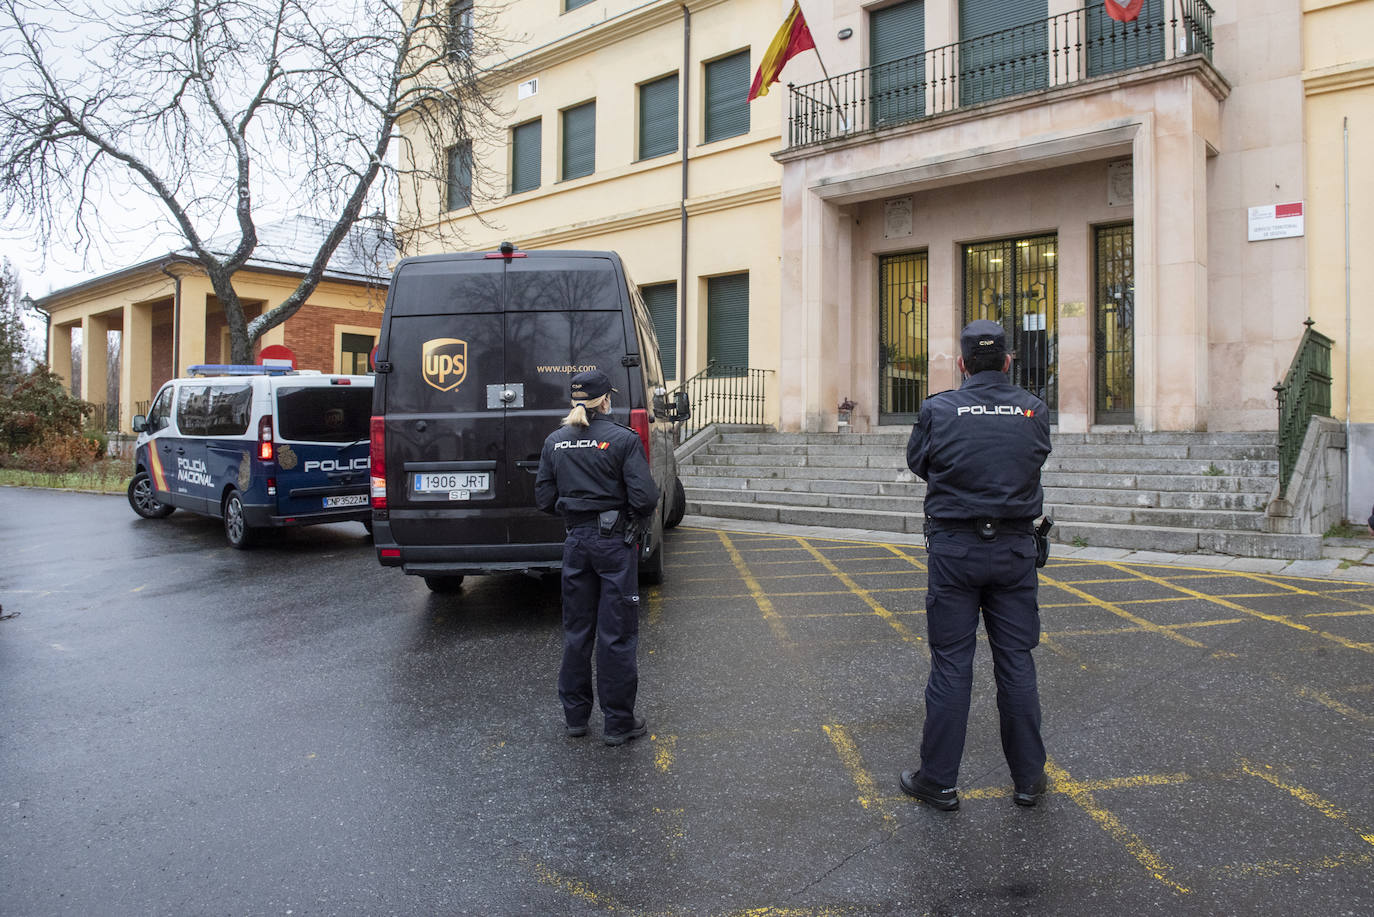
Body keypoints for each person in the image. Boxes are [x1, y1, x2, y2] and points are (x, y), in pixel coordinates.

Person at [900, 319, 1053, 811]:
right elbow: (1033, 460)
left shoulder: (939, 408)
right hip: (1013, 552)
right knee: (1016, 663)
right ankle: (1029, 779)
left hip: (956, 550)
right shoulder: (1033, 409)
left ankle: (939, 781)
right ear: (1008, 361)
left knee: (951, 663)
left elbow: (918, 463)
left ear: (962, 364)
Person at [535, 369, 660, 746]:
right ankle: (618, 723)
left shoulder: (555, 441)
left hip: (577, 542)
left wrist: (578, 513)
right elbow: (645, 498)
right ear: (606, 400)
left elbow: (543, 500)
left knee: (577, 632)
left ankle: (575, 718)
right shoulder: (622, 439)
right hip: (614, 543)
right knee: (616, 634)